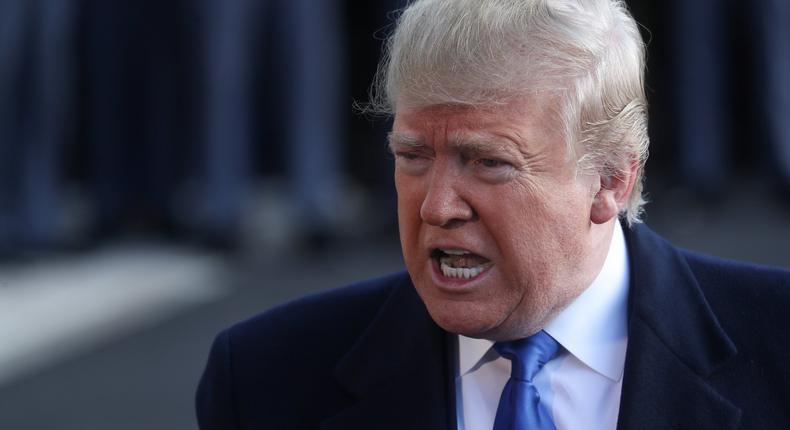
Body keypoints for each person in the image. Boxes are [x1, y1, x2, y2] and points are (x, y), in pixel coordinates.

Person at [196, 0, 790, 428]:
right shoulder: (263, 382)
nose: (437, 205)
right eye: (413, 156)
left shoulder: (776, 347)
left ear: (611, 178)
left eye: (487, 162)